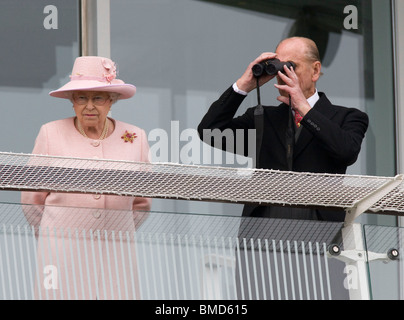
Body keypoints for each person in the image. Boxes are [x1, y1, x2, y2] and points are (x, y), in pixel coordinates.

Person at [21, 56, 151, 299]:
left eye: (98, 98)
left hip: (116, 254)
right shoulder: (51, 133)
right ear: (72, 101)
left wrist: (115, 229)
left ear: (111, 101)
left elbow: (142, 202)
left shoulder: (135, 137)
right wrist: (55, 235)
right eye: (82, 97)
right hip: (61, 255)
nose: (89, 106)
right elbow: (32, 199)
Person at [198, 37, 369, 222]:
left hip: (319, 229)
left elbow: (346, 152)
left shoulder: (348, 117)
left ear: (315, 70)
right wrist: (243, 85)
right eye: (280, 67)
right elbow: (210, 131)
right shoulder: (263, 118)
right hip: (263, 229)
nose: (284, 74)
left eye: (292, 66)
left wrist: (304, 109)